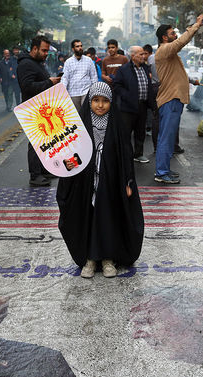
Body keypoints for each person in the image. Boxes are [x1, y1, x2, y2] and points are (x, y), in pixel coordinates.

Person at [56, 81, 144, 279]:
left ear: (111, 103)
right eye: (95, 100)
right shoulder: (79, 126)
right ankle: (90, 258)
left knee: (108, 219)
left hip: (111, 184)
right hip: (85, 184)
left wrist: (128, 182)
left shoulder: (118, 126)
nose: (100, 105)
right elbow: (74, 155)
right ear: (89, 102)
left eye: (105, 101)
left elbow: (125, 156)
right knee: (88, 218)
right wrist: (68, 164)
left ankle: (107, 259)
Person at [153, 16, 203, 184]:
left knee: (167, 137)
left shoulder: (169, 52)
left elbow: (175, 73)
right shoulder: (165, 49)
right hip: (170, 99)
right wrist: (196, 24)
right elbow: (182, 41)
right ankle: (161, 172)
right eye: (172, 33)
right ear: (164, 37)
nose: (175, 35)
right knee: (166, 138)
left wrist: (190, 80)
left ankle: (165, 169)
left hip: (173, 99)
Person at [17, 35, 61, 187]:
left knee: (45, 142)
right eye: (43, 50)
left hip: (42, 109)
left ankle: (43, 170)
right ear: (34, 49)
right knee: (36, 143)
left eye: (47, 51)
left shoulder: (36, 63)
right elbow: (27, 87)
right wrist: (49, 82)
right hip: (32, 109)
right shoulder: (26, 64)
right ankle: (35, 175)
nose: (46, 54)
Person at [113, 46, 155, 164]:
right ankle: (124, 155)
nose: (143, 57)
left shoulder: (146, 68)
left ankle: (138, 154)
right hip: (127, 107)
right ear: (133, 56)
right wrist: (127, 96)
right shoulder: (124, 70)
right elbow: (117, 85)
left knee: (140, 131)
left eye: (144, 54)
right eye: (140, 54)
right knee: (125, 133)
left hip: (142, 105)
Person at [60, 39, 98, 111]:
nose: (80, 48)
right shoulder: (68, 62)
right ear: (73, 49)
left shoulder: (89, 60)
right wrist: (62, 92)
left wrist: (94, 91)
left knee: (86, 114)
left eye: (81, 46)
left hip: (86, 92)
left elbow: (94, 77)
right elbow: (65, 78)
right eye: (77, 46)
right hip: (73, 93)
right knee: (76, 116)